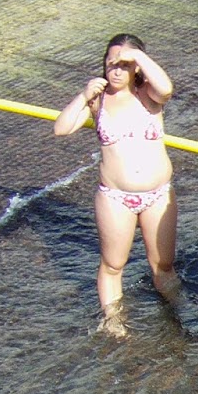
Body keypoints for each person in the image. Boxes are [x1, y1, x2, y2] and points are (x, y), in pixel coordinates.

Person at [53, 34, 178, 335]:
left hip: (158, 195)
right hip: (115, 198)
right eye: (112, 64)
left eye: (125, 65)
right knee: (113, 264)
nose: (117, 71)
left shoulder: (149, 95)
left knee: (163, 266)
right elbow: (61, 128)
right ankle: (114, 323)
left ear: (137, 67)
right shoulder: (98, 100)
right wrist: (83, 96)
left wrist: (137, 56)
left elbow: (167, 88)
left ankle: (177, 313)